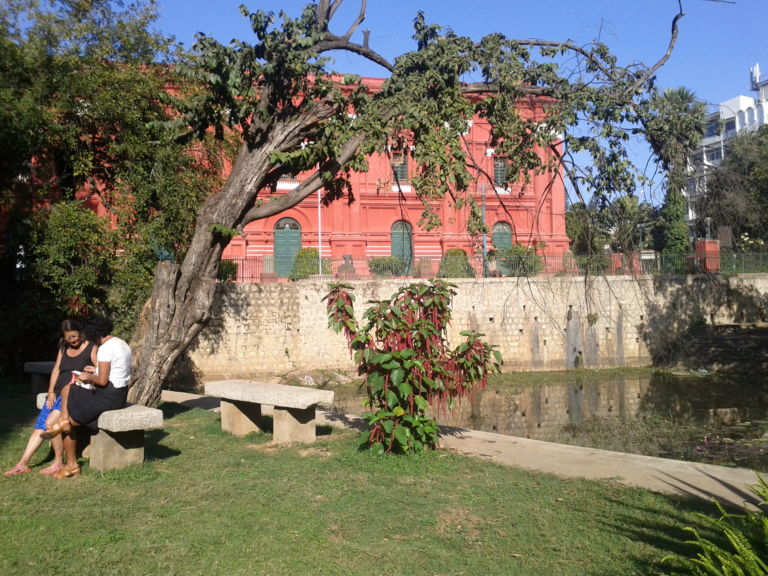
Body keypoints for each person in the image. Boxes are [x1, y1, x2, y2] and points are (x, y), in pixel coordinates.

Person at [4, 319, 98, 476]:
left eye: (75, 336)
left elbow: (100, 369)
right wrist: (51, 391)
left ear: (80, 333)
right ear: (64, 337)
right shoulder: (63, 348)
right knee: (40, 426)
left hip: (74, 394)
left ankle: (58, 462)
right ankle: (22, 463)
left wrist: (93, 369)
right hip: (58, 393)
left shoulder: (91, 347)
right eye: (69, 338)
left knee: (51, 423)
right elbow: (56, 370)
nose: (73, 340)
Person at [42, 315, 132, 479]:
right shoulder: (122, 344)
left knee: (67, 423)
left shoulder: (105, 348)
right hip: (118, 393)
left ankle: (72, 465)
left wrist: (87, 376)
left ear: (94, 333)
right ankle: (63, 418)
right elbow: (116, 372)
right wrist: (94, 371)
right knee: (68, 388)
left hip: (107, 396)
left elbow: (103, 381)